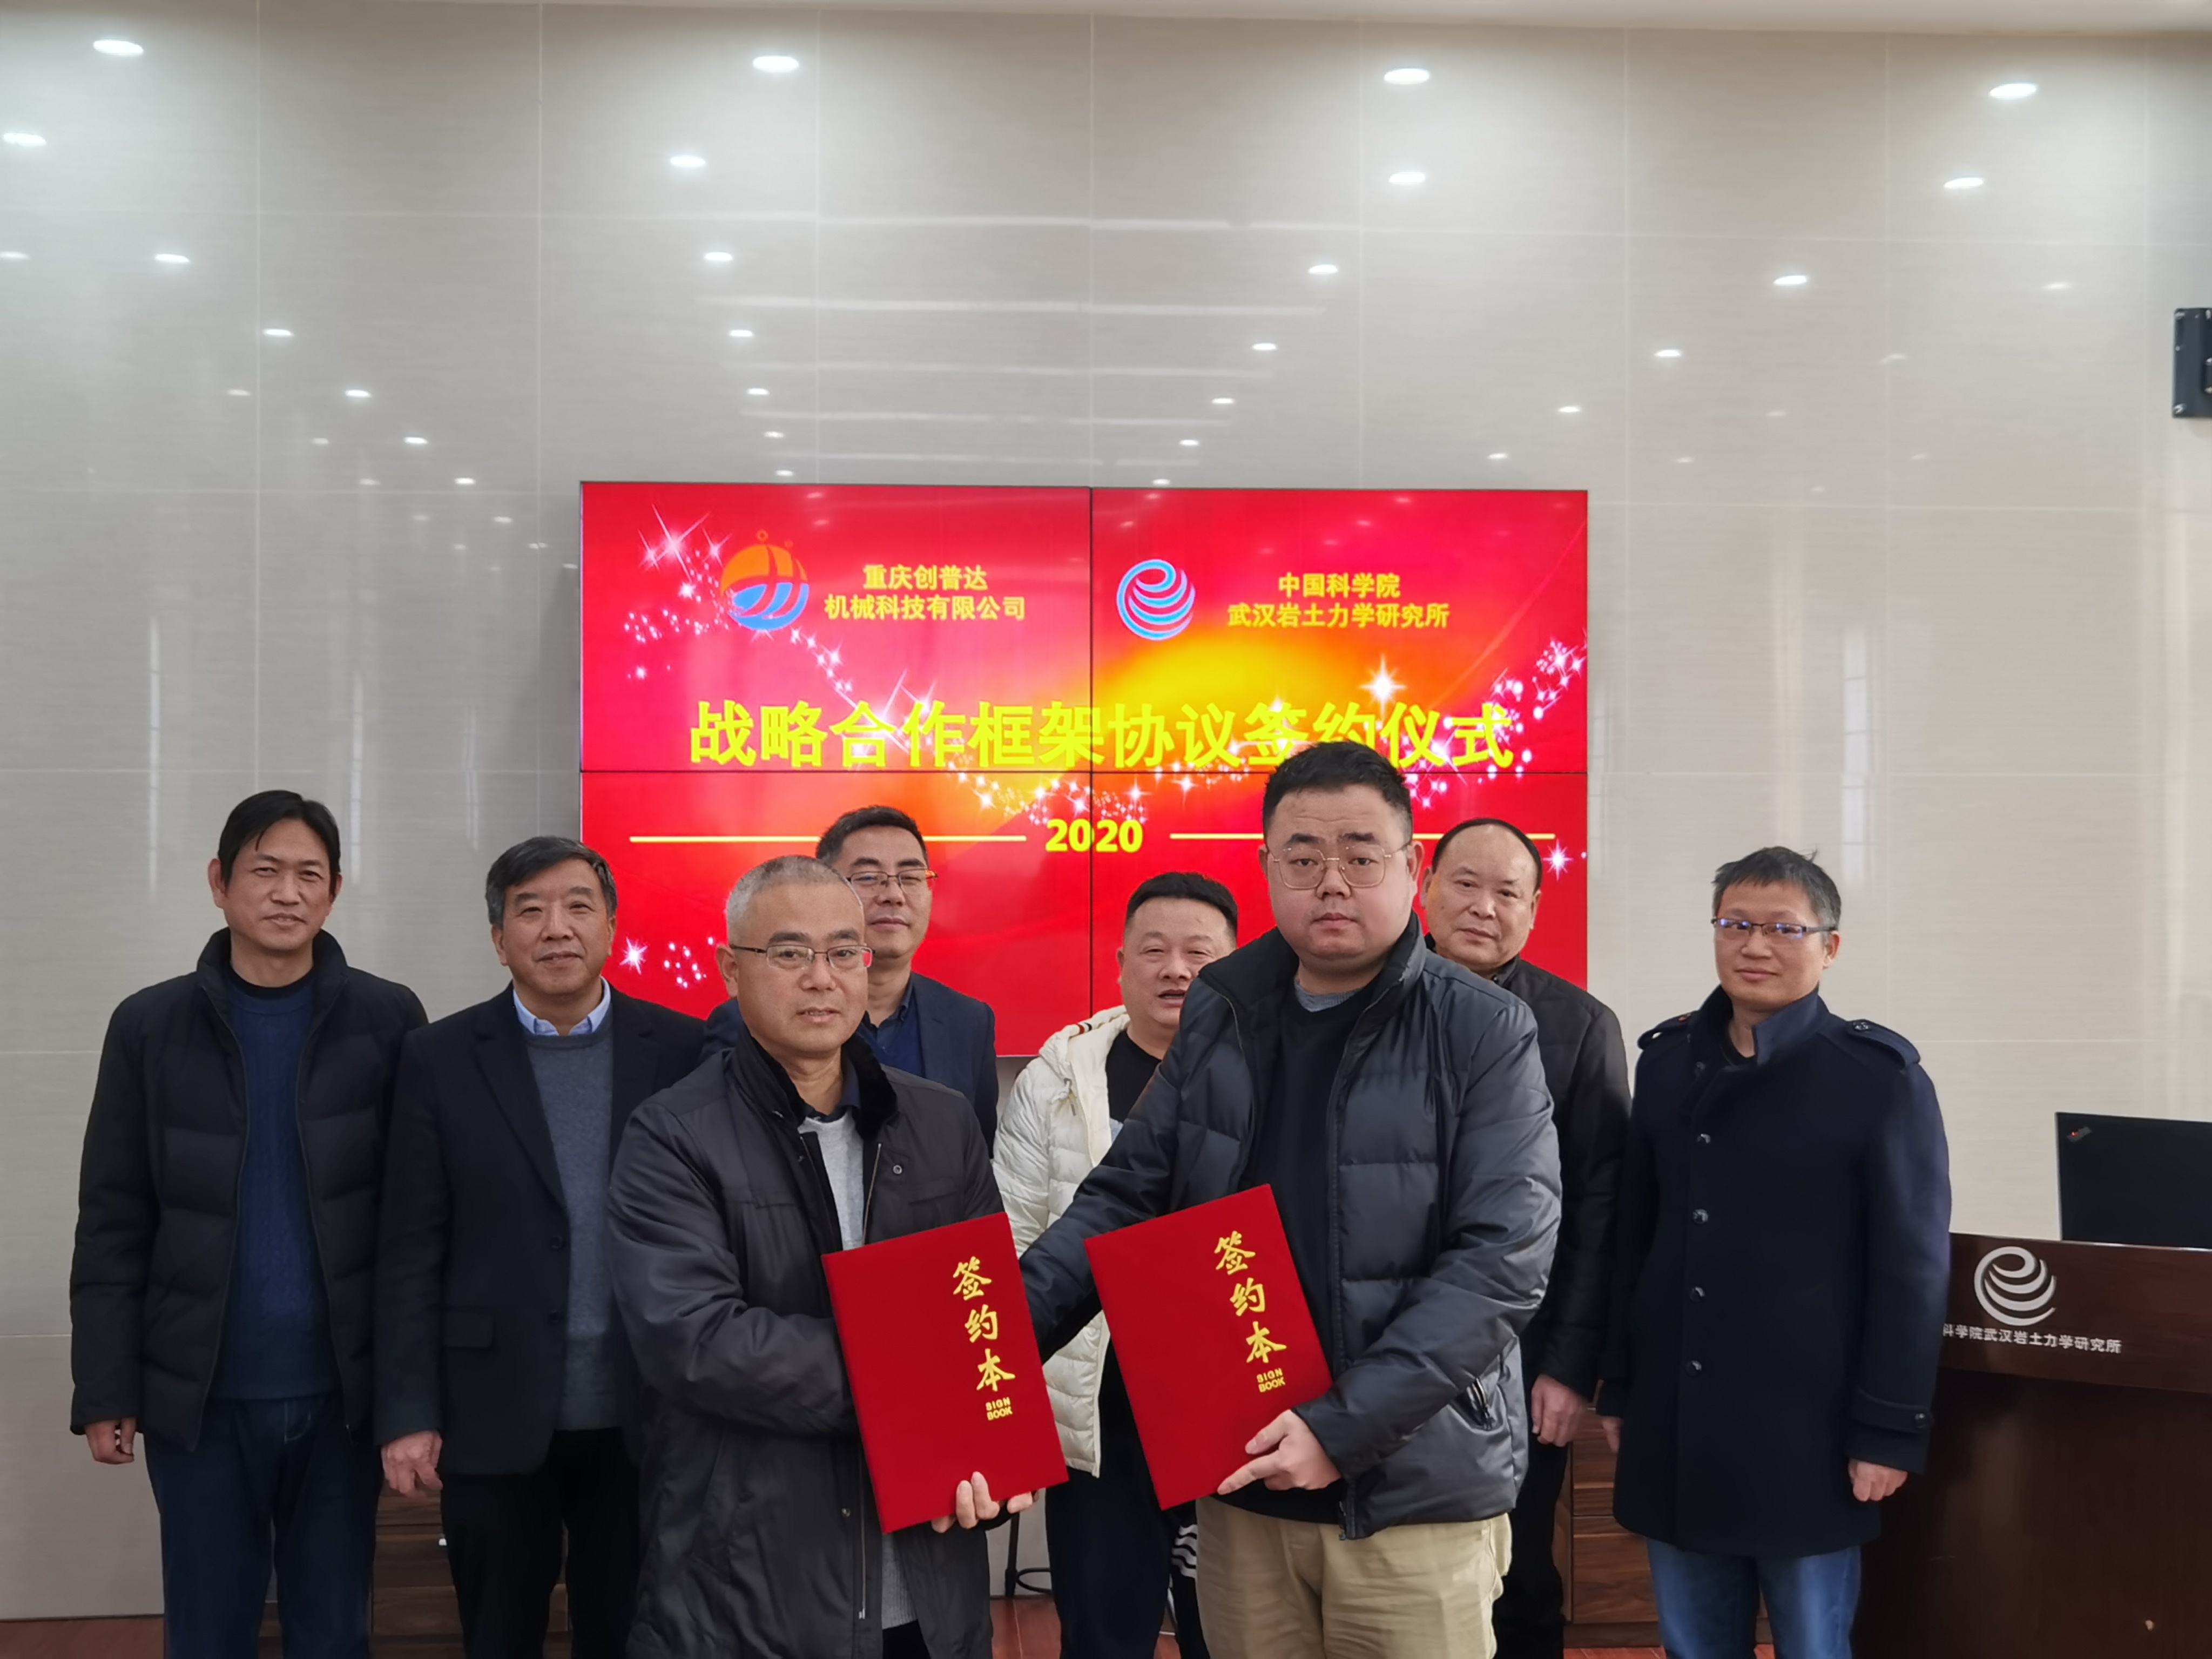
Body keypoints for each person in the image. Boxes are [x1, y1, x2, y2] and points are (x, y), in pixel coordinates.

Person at [1020, 742, 1561, 1659]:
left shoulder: (1482, 1027)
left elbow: (1501, 1263)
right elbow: (1124, 1197)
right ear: (1268, 865)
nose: (1332, 881)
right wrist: (989, 1350)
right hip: (1244, 1480)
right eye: (1304, 857)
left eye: (1361, 855)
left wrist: (1338, 1431)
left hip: (1410, 1493)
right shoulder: (1224, 1008)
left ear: (1412, 867)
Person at [608, 855, 1030, 1658]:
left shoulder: (941, 1123)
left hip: (930, 1586)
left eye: (843, 952)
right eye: (790, 953)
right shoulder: (671, 1135)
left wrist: (996, 1456)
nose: (821, 977)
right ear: (732, 969)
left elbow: (984, 1318)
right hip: (752, 1588)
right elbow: (697, 1342)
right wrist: (911, 1380)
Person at [69, 791, 427, 1658]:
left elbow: (417, 1224)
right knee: (208, 1631)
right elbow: (113, 1218)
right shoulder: (149, 1026)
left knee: (333, 1631)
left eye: (309, 874)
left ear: (334, 891)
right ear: (219, 882)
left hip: (342, 1399)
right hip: (200, 1402)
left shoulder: (389, 1020)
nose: (287, 892)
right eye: (265, 871)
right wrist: (106, 1387)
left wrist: (412, 1398)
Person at [1597, 847, 1950, 1659]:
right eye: (1736, 924)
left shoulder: (1878, 1079)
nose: (1754, 946)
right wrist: (1621, 1382)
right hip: (1678, 1421)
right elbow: (1635, 1235)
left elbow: (1913, 1271)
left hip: (1809, 1436)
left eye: (1784, 929)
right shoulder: (1666, 1063)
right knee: (1693, 1645)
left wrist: (1888, 1431)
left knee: (1813, 1645)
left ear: (1830, 947)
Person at [374, 837, 707, 1658]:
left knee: (628, 1636)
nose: (557, 928)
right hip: (492, 1414)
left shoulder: (682, 1050)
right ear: (499, 939)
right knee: (498, 1636)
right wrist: (409, 1414)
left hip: (644, 1414)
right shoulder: (438, 1057)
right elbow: (410, 1249)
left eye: (578, 906)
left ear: (612, 928)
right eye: (531, 910)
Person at [996, 872, 1239, 1659]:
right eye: (1154, 951)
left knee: (1231, 1633)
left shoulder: (1267, 1072)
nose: (1176, 970)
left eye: (1200, 955)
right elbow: (1017, 1234)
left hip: (1227, 1405)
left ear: (1235, 966)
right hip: (1095, 1406)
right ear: (1121, 963)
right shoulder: (1058, 1078)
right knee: (1104, 1634)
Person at [1420, 819, 1628, 1659]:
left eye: (1507, 892)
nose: (1483, 907)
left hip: (1518, 1357)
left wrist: (1570, 1365)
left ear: (1534, 911)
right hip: (1372, 1347)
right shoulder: (1364, 1001)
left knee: (1516, 1574)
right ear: (1425, 887)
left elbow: (1600, 1209)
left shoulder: (1578, 1026)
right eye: (1465, 884)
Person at [705, 806, 999, 1144]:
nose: (893, 895)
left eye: (911, 877)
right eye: (869, 877)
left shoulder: (969, 1022)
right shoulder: (748, 1020)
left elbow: (977, 1153)